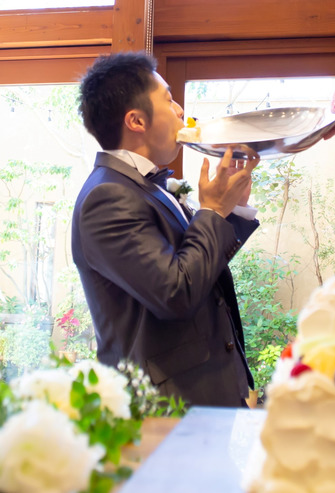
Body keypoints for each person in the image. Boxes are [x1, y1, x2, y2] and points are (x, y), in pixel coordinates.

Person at [72, 51, 260, 407]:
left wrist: (231, 208)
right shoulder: (107, 196)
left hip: (204, 394)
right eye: (169, 99)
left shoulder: (147, 186)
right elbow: (176, 293)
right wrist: (212, 211)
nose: (179, 110)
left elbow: (199, 270)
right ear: (136, 121)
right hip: (169, 407)